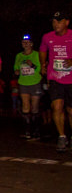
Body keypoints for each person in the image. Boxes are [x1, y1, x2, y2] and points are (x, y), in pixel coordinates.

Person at [40, 11, 72, 151]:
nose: (56, 24)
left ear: (67, 22)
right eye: (53, 21)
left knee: (71, 110)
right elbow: (43, 50)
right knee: (57, 107)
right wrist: (43, 64)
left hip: (71, 79)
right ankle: (62, 136)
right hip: (55, 78)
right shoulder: (47, 37)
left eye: (59, 21)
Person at [14, 35, 43, 138]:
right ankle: (28, 129)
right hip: (23, 83)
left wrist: (32, 65)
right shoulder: (19, 56)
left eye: (27, 42)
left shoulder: (37, 54)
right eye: (23, 43)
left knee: (34, 107)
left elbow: (40, 68)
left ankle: (36, 128)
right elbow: (16, 67)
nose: (25, 45)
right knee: (25, 106)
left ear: (32, 44)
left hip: (35, 82)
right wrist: (16, 71)